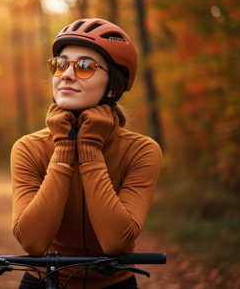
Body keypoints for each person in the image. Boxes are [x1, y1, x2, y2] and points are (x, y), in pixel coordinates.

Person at [10, 18, 163, 288]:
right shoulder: (29, 148)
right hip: (42, 280)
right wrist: (64, 150)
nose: (66, 74)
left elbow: (116, 242)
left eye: (84, 67)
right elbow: (33, 243)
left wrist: (90, 149)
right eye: (60, 64)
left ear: (113, 86)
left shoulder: (141, 151)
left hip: (114, 283)